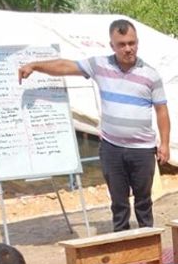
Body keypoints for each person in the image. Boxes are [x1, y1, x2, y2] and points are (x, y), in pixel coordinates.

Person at [18, 19, 169, 231]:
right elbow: (65, 66)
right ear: (112, 46)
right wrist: (35, 66)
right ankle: (121, 247)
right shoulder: (100, 65)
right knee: (119, 203)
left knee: (144, 202)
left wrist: (165, 144)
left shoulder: (151, 74)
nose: (128, 49)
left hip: (142, 150)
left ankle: (149, 244)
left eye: (132, 43)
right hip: (112, 148)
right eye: (122, 44)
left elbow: (162, 111)